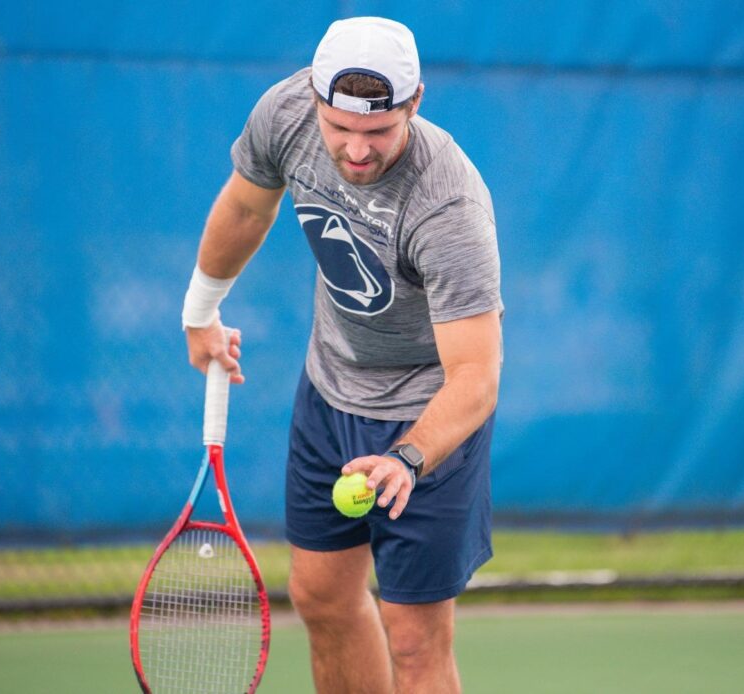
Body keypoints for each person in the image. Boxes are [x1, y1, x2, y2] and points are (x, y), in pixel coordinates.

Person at [179, 16, 502, 693]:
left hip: (427, 417)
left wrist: (408, 457)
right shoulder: (287, 112)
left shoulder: (448, 205)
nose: (356, 150)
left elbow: (476, 377)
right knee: (322, 599)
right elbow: (246, 207)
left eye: (378, 131)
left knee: (413, 640)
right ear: (313, 97)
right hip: (330, 393)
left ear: (414, 103)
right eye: (339, 127)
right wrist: (200, 312)